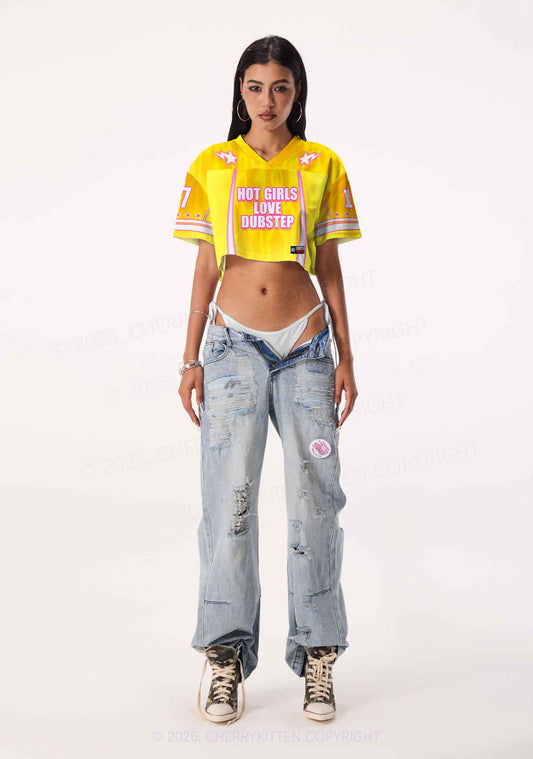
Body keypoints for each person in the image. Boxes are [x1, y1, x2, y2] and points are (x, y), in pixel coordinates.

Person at [174, 35, 362, 725]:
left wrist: (345, 355)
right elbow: (205, 265)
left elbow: (329, 266)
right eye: (255, 87)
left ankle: (317, 655)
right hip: (231, 346)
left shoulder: (322, 164)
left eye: (280, 87)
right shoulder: (212, 164)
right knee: (230, 498)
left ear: (296, 92)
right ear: (240, 92)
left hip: (306, 345)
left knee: (316, 498)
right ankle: (225, 654)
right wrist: (190, 358)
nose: (267, 100)